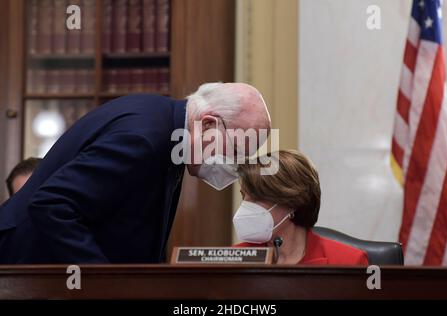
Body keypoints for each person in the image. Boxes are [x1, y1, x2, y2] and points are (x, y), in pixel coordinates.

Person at [0, 83, 271, 264]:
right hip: (25, 269)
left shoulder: (168, 130)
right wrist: (108, 285)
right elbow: (52, 205)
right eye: (236, 150)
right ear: (209, 123)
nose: (234, 165)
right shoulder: (145, 138)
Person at [233, 150, 368, 265]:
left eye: (257, 198)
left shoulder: (349, 262)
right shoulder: (233, 259)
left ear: (292, 202)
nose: (245, 205)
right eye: (244, 196)